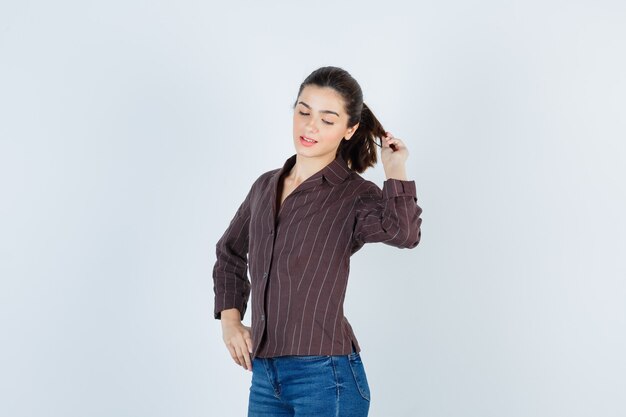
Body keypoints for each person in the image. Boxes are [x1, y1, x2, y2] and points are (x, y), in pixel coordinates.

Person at [212, 66, 423, 416]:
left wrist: (395, 170)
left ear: (349, 129)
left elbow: (404, 234)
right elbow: (230, 252)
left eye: (327, 119)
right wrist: (231, 323)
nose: (310, 126)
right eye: (304, 111)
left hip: (326, 376)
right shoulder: (265, 186)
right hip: (265, 375)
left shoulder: (354, 194)